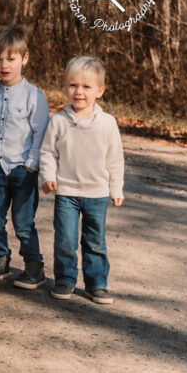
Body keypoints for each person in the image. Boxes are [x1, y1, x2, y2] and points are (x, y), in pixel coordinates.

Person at [40, 56, 124, 304]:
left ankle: (96, 283)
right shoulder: (58, 121)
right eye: (73, 85)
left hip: (97, 194)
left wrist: (116, 188)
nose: (79, 92)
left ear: (100, 91)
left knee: (94, 241)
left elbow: (115, 159)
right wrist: (48, 176)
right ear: (65, 87)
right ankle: (65, 279)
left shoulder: (107, 124)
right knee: (65, 240)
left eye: (86, 87)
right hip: (66, 192)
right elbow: (47, 152)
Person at [0, 25, 50, 289]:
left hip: (22, 169)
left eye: (11, 59)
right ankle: (0, 258)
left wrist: (32, 164)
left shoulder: (34, 96)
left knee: (23, 222)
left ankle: (34, 266)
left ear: (25, 58)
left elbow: (40, 132)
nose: (4, 65)